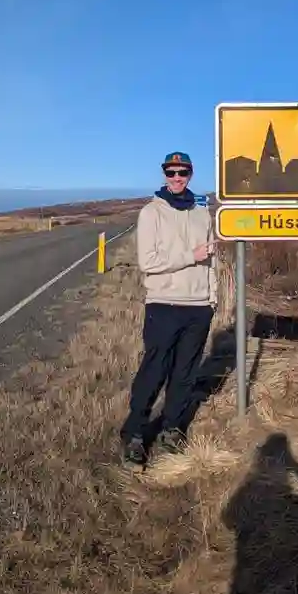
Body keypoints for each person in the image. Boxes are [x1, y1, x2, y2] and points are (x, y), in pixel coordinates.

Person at [120, 151, 216, 466]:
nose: (176, 178)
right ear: (164, 174)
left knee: (185, 373)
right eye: (171, 172)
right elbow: (147, 262)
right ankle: (135, 433)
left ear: (190, 174)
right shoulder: (152, 212)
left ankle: (172, 429)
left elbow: (211, 260)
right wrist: (190, 256)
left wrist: (212, 299)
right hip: (164, 304)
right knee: (155, 370)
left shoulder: (202, 213)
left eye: (182, 172)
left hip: (198, 306)